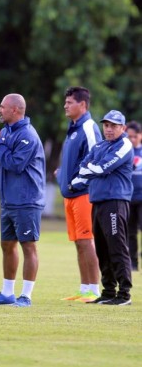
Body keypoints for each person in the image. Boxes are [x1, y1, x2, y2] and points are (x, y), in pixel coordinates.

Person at [0, 93, 46, 307]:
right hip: (9, 201)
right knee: (7, 245)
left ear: (15, 110)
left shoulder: (28, 135)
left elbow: (16, 164)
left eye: (2, 107)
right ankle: (7, 293)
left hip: (27, 200)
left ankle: (26, 296)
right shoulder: (7, 132)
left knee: (28, 246)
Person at [71, 110, 133, 305]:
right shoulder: (100, 145)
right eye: (106, 125)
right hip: (98, 201)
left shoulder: (124, 144)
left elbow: (101, 168)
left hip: (115, 201)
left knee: (116, 246)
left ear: (123, 128)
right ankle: (108, 292)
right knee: (102, 249)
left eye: (114, 126)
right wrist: (93, 168)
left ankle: (124, 294)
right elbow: (82, 167)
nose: (109, 129)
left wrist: (93, 167)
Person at [55, 87, 101, 302]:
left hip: (83, 194)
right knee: (78, 242)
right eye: (65, 102)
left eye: (70, 102)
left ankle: (95, 289)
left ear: (83, 105)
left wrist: (74, 183)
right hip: (70, 195)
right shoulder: (73, 128)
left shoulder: (90, 128)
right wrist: (62, 176)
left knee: (86, 241)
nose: (65, 105)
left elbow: (95, 160)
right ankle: (84, 289)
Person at [126, 121, 142, 271]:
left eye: (134, 136)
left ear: (140, 136)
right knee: (130, 233)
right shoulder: (125, 152)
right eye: (129, 136)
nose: (131, 139)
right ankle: (133, 263)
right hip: (129, 198)